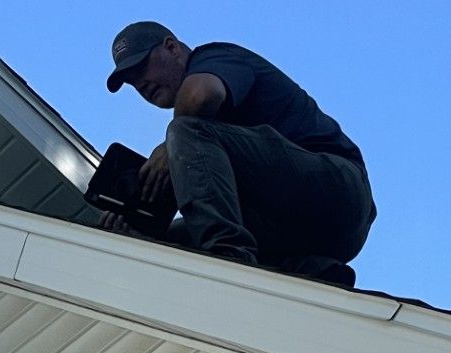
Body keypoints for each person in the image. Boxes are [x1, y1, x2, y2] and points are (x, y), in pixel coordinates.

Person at [104, 19, 375, 288]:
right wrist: (141, 233)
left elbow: (200, 95)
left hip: (338, 190)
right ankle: (315, 276)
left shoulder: (216, 57)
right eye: (131, 81)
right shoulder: (204, 152)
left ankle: (229, 263)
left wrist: (168, 147)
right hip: (315, 234)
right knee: (170, 237)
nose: (139, 84)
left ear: (172, 47)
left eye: (141, 68)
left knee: (185, 132)